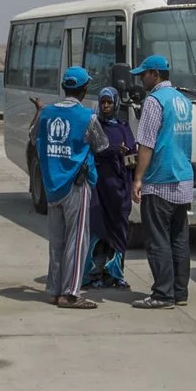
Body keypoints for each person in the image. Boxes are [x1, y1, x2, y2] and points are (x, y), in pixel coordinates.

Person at [128, 53, 196, 308]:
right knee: (179, 239)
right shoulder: (182, 100)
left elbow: (146, 144)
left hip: (160, 179)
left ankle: (162, 294)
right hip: (183, 178)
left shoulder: (154, 102)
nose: (140, 80)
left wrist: (138, 179)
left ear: (155, 75)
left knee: (157, 240)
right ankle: (180, 292)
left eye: (143, 75)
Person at [34, 66, 100, 308]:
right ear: (84, 89)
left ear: (64, 88)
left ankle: (54, 290)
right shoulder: (88, 117)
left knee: (57, 242)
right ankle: (70, 293)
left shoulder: (46, 114)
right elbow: (101, 144)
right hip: (76, 185)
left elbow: (33, 138)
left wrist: (39, 111)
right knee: (77, 240)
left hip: (52, 186)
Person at [85, 85, 136, 289]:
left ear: (115, 104)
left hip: (119, 190)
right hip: (99, 189)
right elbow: (92, 150)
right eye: (103, 102)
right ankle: (95, 275)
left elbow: (132, 153)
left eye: (109, 102)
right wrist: (113, 150)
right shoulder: (94, 126)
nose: (105, 106)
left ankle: (116, 275)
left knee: (119, 232)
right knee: (98, 230)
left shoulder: (123, 126)